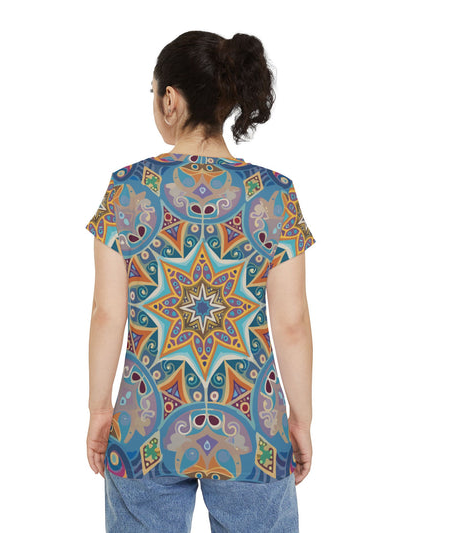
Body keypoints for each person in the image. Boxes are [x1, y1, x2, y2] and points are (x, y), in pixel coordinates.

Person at [85, 30, 315, 533]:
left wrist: (100, 410)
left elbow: (107, 314)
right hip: (253, 426)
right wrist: (300, 419)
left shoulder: (128, 189)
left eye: (153, 92)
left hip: (144, 423)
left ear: (170, 99)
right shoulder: (274, 194)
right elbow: (292, 323)